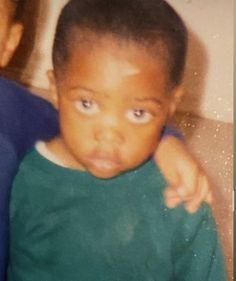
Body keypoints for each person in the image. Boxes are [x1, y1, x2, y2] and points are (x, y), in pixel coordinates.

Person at [7, 0, 226, 280]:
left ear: (171, 105)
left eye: (138, 113)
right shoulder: (22, 178)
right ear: (55, 89)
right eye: (87, 104)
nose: (109, 135)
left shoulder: (182, 195)